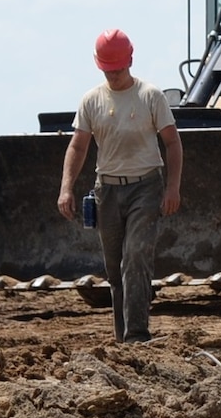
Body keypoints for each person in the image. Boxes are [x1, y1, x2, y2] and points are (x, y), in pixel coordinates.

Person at [57, 28, 184, 343]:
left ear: (130, 62)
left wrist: (172, 188)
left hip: (146, 187)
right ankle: (121, 337)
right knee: (115, 269)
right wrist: (66, 188)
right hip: (108, 191)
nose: (114, 75)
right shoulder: (92, 101)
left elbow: (172, 144)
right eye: (108, 70)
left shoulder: (150, 97)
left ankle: (137, 333)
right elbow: (78, 147)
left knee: (136, 256)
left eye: (118, 69)